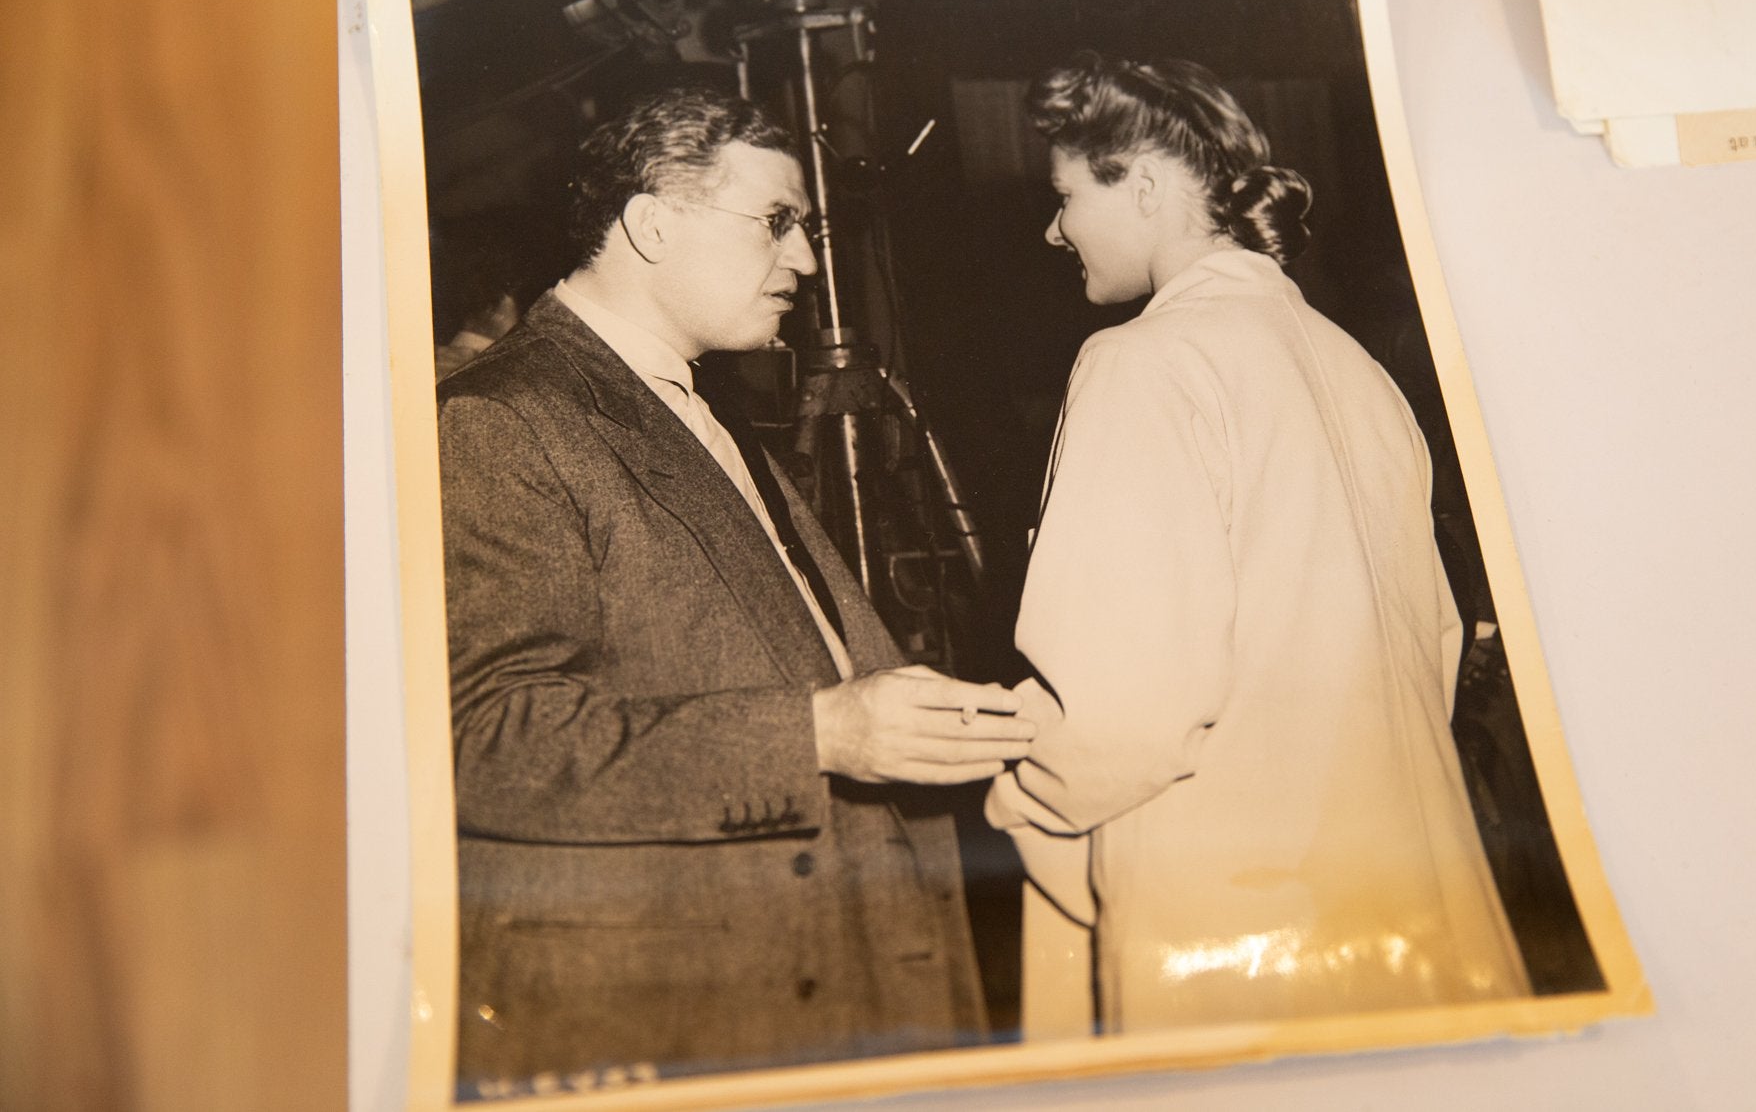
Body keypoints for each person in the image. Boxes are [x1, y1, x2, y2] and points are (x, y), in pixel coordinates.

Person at [438, 86, 1034, 1094]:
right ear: (652, 224)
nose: (805, 258)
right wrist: (820, 733)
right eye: (776, 220)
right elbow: (484, 738)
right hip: (683, 1003)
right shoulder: (500, 418)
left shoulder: (686, 399)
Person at [986, 54, 1529, 1034]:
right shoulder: (1357, 369)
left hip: (1237, 920)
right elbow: (1435, 648)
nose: (1052, 231)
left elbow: (1124, 709)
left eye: (1065, 198)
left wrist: (1017, 793)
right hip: (1408, 895)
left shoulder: (1140, 363)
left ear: (1141, 183)